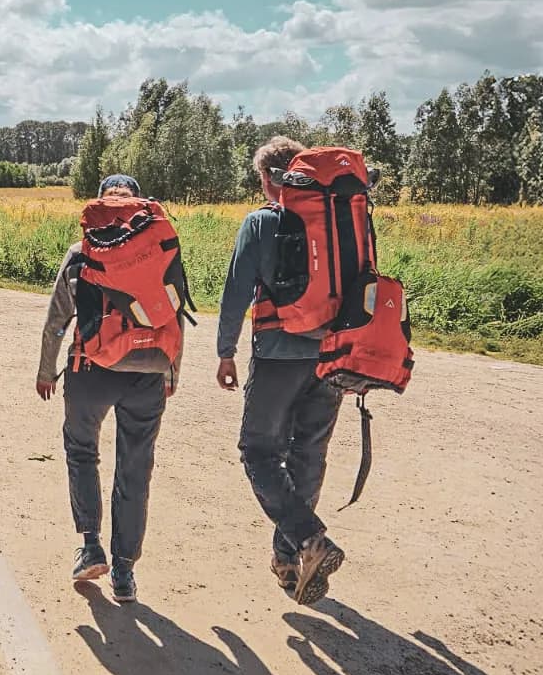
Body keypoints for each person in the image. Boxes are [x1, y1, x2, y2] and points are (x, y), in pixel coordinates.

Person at [35, 174, 193, 604]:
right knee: (135, 468)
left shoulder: (80, 251)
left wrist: (47, 371)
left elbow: (56, 321)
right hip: (148, 372)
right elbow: (176, 313)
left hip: (91, 369)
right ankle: (124, 572)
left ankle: (90, 547)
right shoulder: (163, 249)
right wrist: (171, 372)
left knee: (82, 452)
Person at [216, 136, 345, 604]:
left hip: (277, 356)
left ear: (268, 179)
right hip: (332, 355)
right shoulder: (336, 221)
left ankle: (309, 541)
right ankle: (289, 559)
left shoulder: (260, 223)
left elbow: (235, 294)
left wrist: (226, 351)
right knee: (308, 454)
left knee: (258, 450)